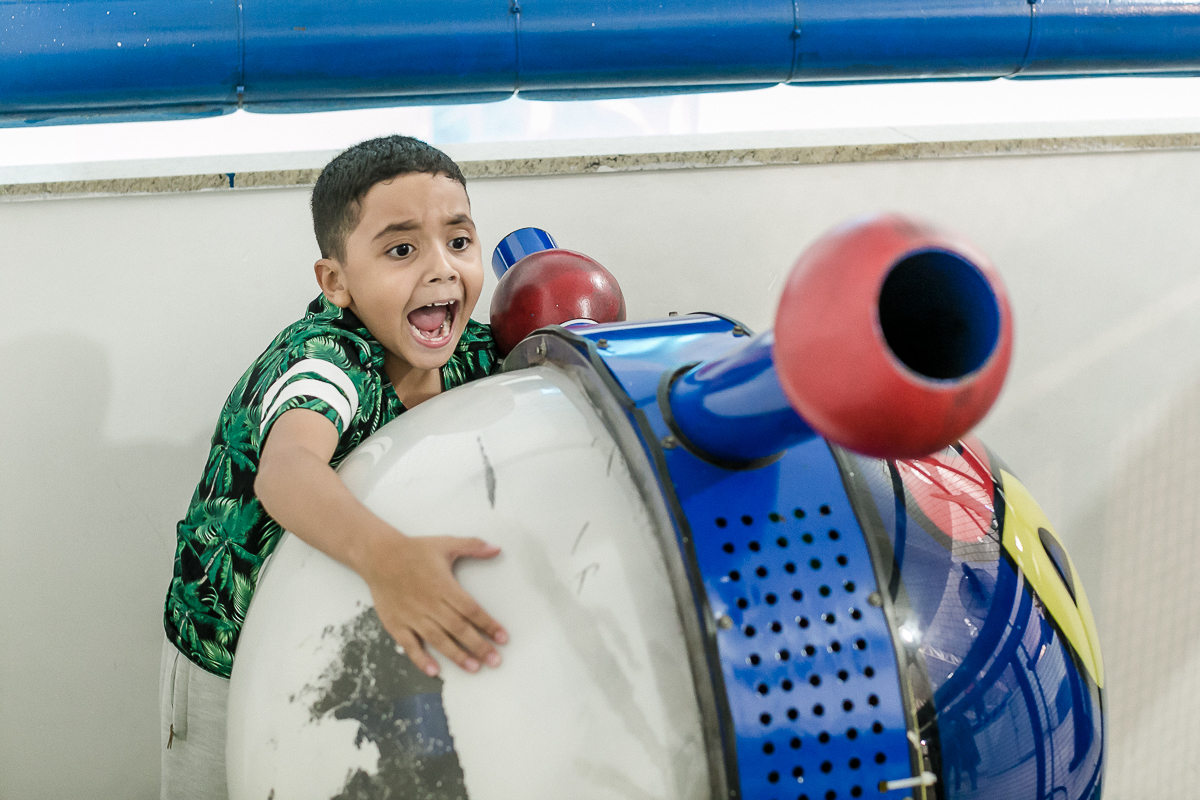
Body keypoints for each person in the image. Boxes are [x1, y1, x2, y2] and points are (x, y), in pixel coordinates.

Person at [159, 135, 508, 799]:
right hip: (221, 654)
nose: (441, 269)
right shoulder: (328, 359)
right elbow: (286, 470)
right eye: (402, 249)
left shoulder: (469, 353)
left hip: (324, 643)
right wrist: (389, 559)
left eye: (459, 242)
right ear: (336, 281)